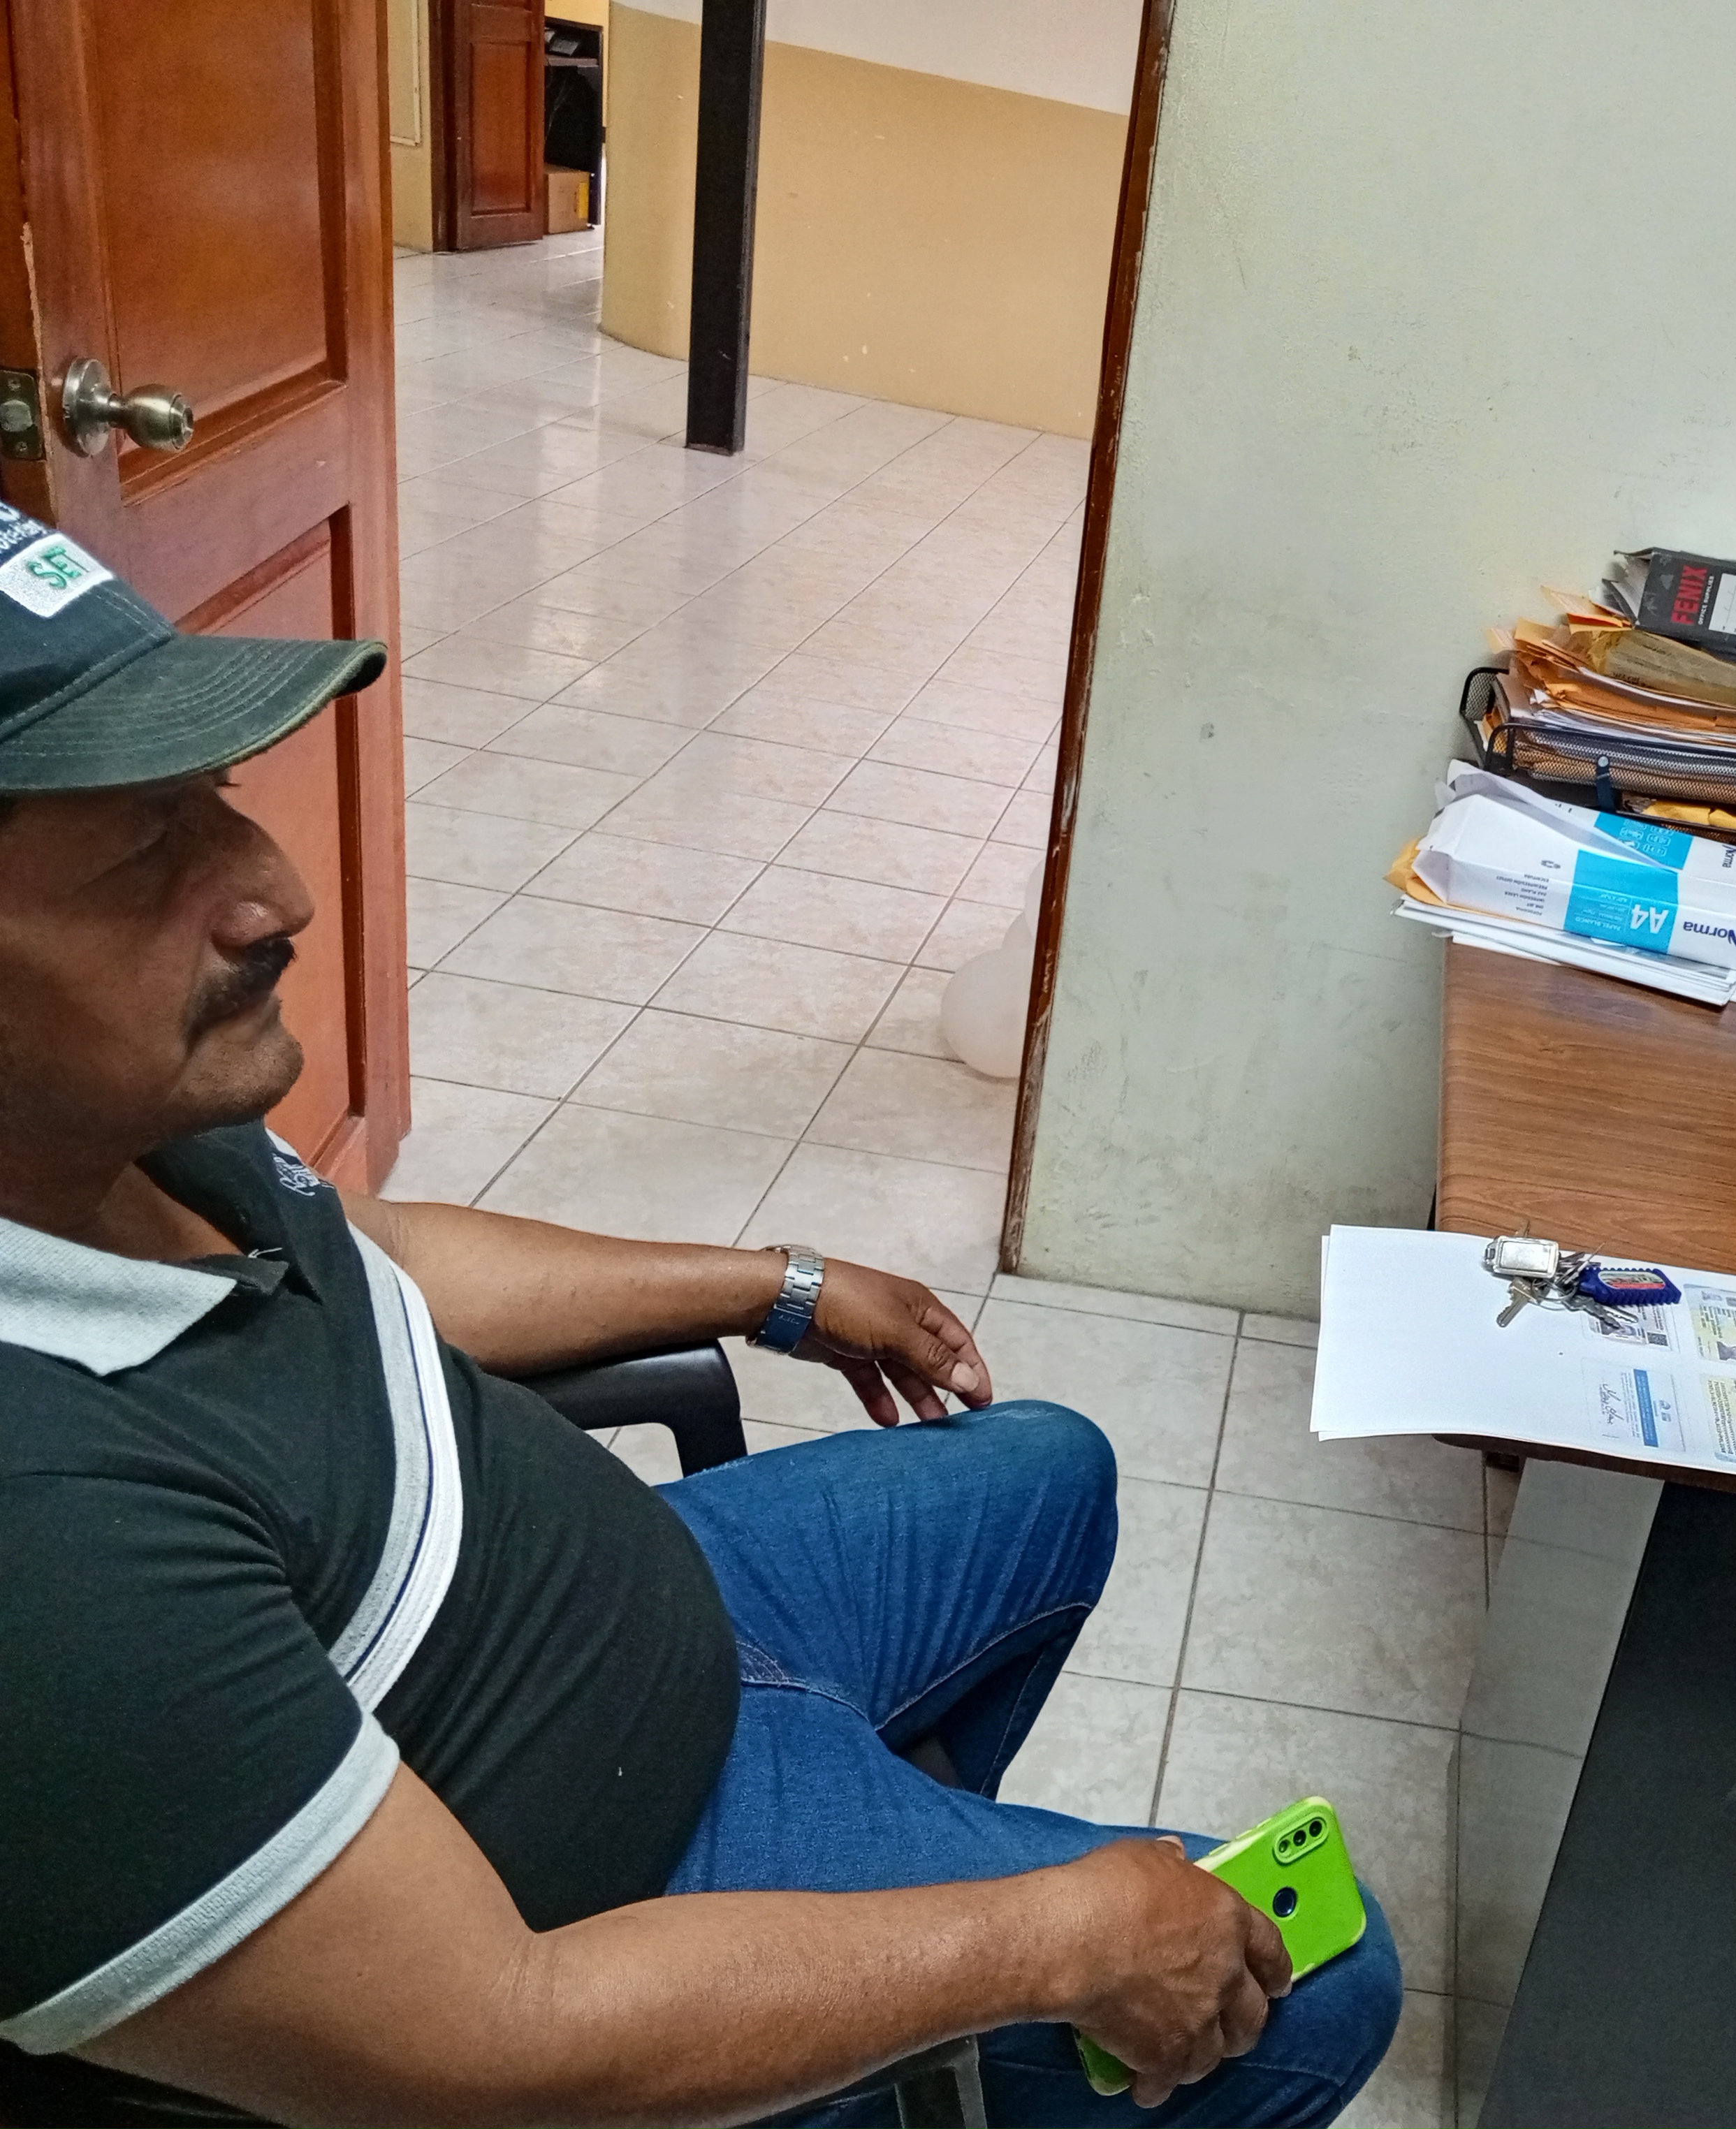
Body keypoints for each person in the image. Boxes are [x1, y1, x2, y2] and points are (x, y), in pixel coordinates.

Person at [0, 506, 1399, 2128]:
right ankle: (858, 2020)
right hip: (613, 1891)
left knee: (1051, 1469)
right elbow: (488, 2047)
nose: (274, 892)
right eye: (141, 853)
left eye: (218, 801)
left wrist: (774, 1285)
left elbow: (374, 1250)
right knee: (1318, 1985)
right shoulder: (43, 1552)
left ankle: (888, 1954)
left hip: (652, 1610)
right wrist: (1043, 1942)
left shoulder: (108, 1118)